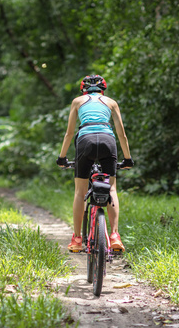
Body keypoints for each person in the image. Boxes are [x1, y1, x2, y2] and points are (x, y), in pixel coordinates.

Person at [56, 75, 134, 252]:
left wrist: (62, 157)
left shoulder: (77, 101)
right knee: (111, 188)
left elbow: (69, 134)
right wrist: (128, 159)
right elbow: (122, 135)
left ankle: (77, 238)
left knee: (80, 191)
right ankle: (114, 235)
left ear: (83, 89)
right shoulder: (111, 102)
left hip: (85, 141)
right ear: (103, 90)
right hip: (108, 140)